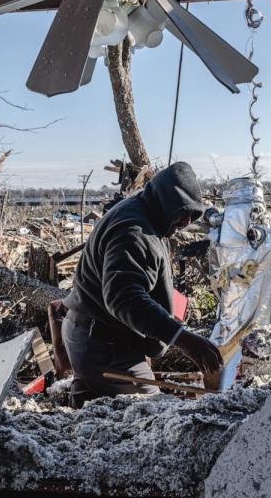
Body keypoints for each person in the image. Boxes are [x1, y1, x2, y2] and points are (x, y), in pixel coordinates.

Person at [62, 162, 223, 408]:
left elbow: (135, 275)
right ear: (167, 201)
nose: (187, 221)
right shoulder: (133, 231)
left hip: (93, 335)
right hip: (105, 348)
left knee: (93, 404)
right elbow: (123, 297)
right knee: (151, 411)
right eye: (184, 212)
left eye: (193, 215)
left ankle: (80, 412)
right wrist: (181, 338)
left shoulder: (143, 214)